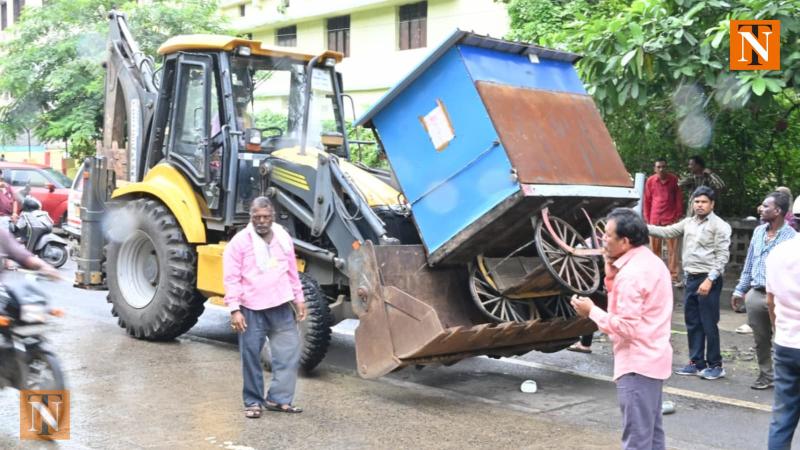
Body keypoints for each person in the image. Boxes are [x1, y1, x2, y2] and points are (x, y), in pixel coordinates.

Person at [571, 208, 672, 450]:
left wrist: (591, 311)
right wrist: (610, 269)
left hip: (637, 362)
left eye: (607, 235)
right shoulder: (650, 262)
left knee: (637, 440)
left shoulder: (631, 275)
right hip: (653, 357)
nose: (602, 239)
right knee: (652, 435)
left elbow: (625, 327)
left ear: (624, 242)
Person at [223, 196, 308, 418]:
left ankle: (278, 399)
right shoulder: (240, 242)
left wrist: (299, 299)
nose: (261, 221)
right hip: (251, 309)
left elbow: (291, 271)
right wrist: (235, 309)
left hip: (281, 305)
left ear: (273, 217)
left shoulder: (282, 237)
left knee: (289, 353)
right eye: (257, 217)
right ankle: (253, 402)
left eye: (266, 217)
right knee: (251, 356)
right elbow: (231, 278)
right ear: (250, 217)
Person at [648, 186, 731, 379]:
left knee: (709, 323)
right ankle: (696, 362)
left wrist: (710, 279)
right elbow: (667, 232)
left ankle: (716, 365)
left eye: (703, 202)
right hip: (691, 278)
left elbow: (722, 257)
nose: (699, 205)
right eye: (696, 202)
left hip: (708, 279)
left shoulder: (719, 225)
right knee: (692, 322)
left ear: (712, 204)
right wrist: (640, 226)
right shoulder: (689, 222)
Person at [732, 191, 796, 390]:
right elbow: (749, 263)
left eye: (765, 206)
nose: (761, 208)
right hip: (757, 292)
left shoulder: (792, 238)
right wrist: (740, 290)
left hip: (780, 297)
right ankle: (766, 375)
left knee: (782, 338)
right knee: (761, 339)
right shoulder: (759, 232)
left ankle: (786, 377)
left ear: (777, 211)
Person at [766, 229, 800, 449]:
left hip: (786, 341)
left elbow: (770, 301)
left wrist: (777, 329)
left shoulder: (778, 252)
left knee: (783, 417)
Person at [643, 157, 683, 285]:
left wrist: (677, 216)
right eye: (658, 167)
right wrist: (647, 219)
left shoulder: (673, 180)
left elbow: (678, 199)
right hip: (655, 218)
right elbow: (647, 201)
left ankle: (673, 275)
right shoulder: (650, 181)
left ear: (667, 167)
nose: (661, 169)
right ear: (655, 168)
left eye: (663, 166)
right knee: (655, 250)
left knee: (673, 249)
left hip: (670, 219)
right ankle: (656, 274)